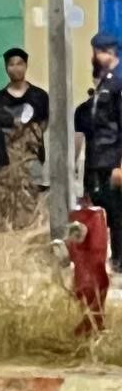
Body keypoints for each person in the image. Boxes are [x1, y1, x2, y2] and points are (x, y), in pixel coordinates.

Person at [84, 31, 122, 271]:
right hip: (100, 158)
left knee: (117, 212)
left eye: (96, 52)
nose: (93, 57)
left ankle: (120, 260)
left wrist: (120, 165)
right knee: (106, 208)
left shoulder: (118, 82)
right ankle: (112, 258)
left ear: (106, 52)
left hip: (112, 159)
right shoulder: (106, 82)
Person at [0, 48, 50, 133]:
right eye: (11, 64)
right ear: (6, 68)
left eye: (19, 64)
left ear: (26, 66)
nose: (16, 68)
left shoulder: (40, 96)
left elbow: (43, 124)